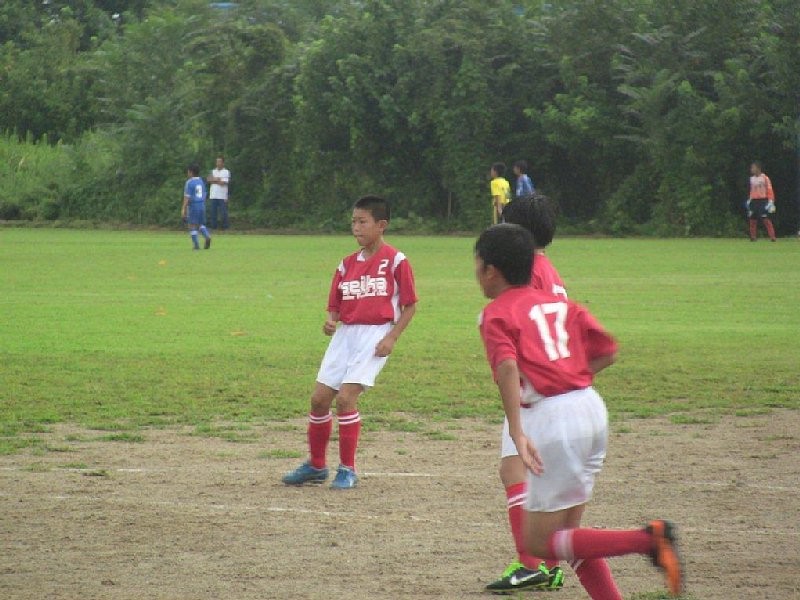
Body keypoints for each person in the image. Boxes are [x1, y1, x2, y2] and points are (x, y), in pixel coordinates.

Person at [475, 224, 683, 599]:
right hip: (590, 408)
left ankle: (648, 539)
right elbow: (608, 352)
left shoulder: (495, 313)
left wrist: (517, 430)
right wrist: (570, 376)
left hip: (554, 421)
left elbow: (506, 367)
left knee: (539, 543)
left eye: (477, 265)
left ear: (491, 270)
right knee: (568, 535)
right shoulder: (562, 305)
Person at [282, 196, 418, 490]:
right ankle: (317, 466)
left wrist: (392, 337)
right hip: (346, 335)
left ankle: (347, 469)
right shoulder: (346, 265)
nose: (356, 227)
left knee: (345, 399)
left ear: (381, 225)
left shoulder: (396, 261)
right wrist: (331, 321)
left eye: (362, 222)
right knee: (319, 399)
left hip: (375, 335)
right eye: (353, 221)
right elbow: (336, 304)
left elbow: (410, 305)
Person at [483, 194, 568, 593]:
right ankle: (549, 564)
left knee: (513, 470)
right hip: (559, 384)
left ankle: (530, 562)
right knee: (538, 477)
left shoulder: (525, 271)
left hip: (534, 388)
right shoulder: (549, 269)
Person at [181, 164, 211, 250]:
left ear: (191, 172)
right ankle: (207, 236)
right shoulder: (201, 181)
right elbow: (205, 194)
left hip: (193, 205)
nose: (187, 173)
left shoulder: (189, 182)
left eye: (188, 171)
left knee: (191, 225)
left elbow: (187, 197)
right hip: (201, 204)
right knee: (200, 224)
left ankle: (196, 245)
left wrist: (183, 209)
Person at [747, 161, 776, 242]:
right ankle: (753, 237)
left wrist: (771, 201)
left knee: (765, 218)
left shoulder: (765, 178)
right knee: (752, 219)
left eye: (753, 168)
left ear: (758, 168)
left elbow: (769, 189)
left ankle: (772, 236)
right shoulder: (751, 179)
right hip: (754, 200)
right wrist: (749, 200)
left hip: (763, 200)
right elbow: (751, 190)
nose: (752, 169)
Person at [208, 155, 230, 230]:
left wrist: (214, 180)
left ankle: (225, 227)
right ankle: (213, 227)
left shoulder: (226, 172)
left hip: (222, 196)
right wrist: (218, 179)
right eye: (217, 161)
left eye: (219, 161)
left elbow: (223, 183)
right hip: (213, 195)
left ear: (223, 163)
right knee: (213, 213)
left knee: (223, 213)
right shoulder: (212, 171)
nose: (218, 163)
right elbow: (209, 180)